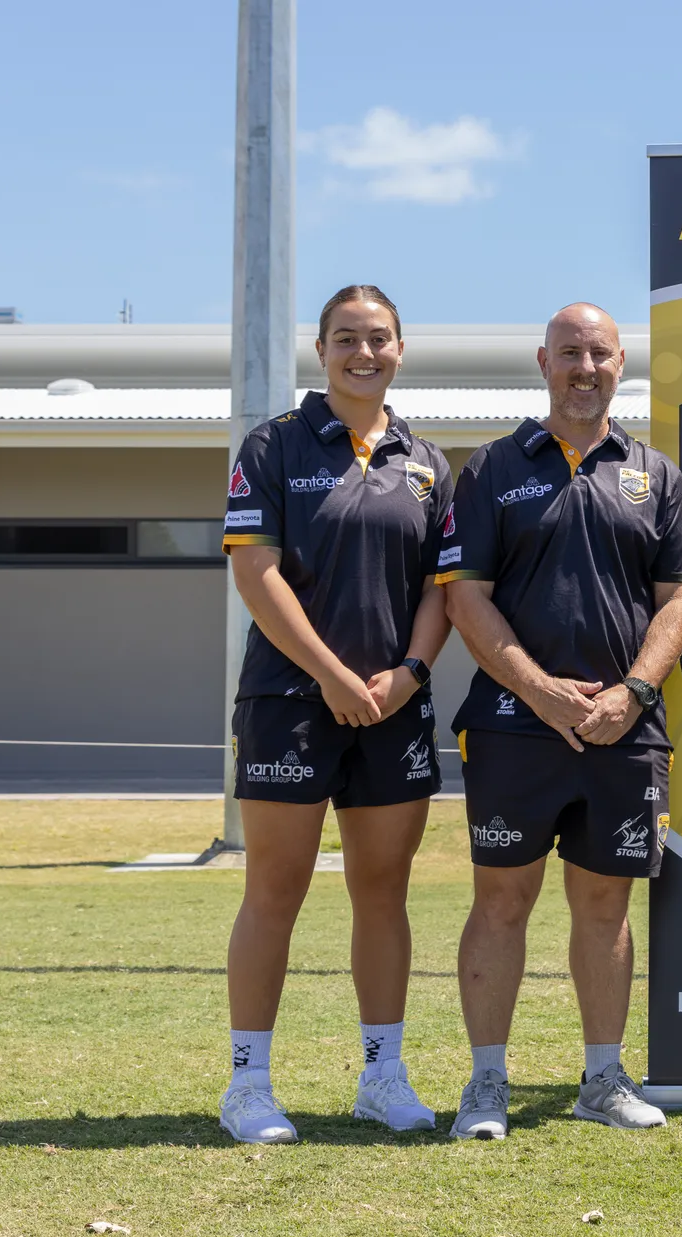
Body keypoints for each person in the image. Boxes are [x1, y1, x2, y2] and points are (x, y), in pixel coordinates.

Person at [438, 303, 682, 1141]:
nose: (584, 368)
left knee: (605, 906)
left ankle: (602, 1078)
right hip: (514, 728)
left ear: (621, 363)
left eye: (599, 354)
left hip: (625, 732)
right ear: (542, 361)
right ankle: (487, 1083)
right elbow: (465, 598)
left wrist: (634, 691)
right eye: (569, 353)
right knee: (501, 901)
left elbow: (678, 598)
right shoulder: (490, 469)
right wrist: (540, 691)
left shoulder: (655, 475)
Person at [218, 284, 454, 1144]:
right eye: (346, 338)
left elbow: (443, 589)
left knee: (383, 892)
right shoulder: (273, 445)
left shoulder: (427, 463)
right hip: (290, 702)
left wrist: (410, 673)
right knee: (274, 890)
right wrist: (330, 676)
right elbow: (257, 573)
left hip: (394, 704)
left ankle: (382, 1077)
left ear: (401, 349)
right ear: (320, 350)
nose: (364, 353)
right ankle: (248, 1087)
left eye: (379, 338)